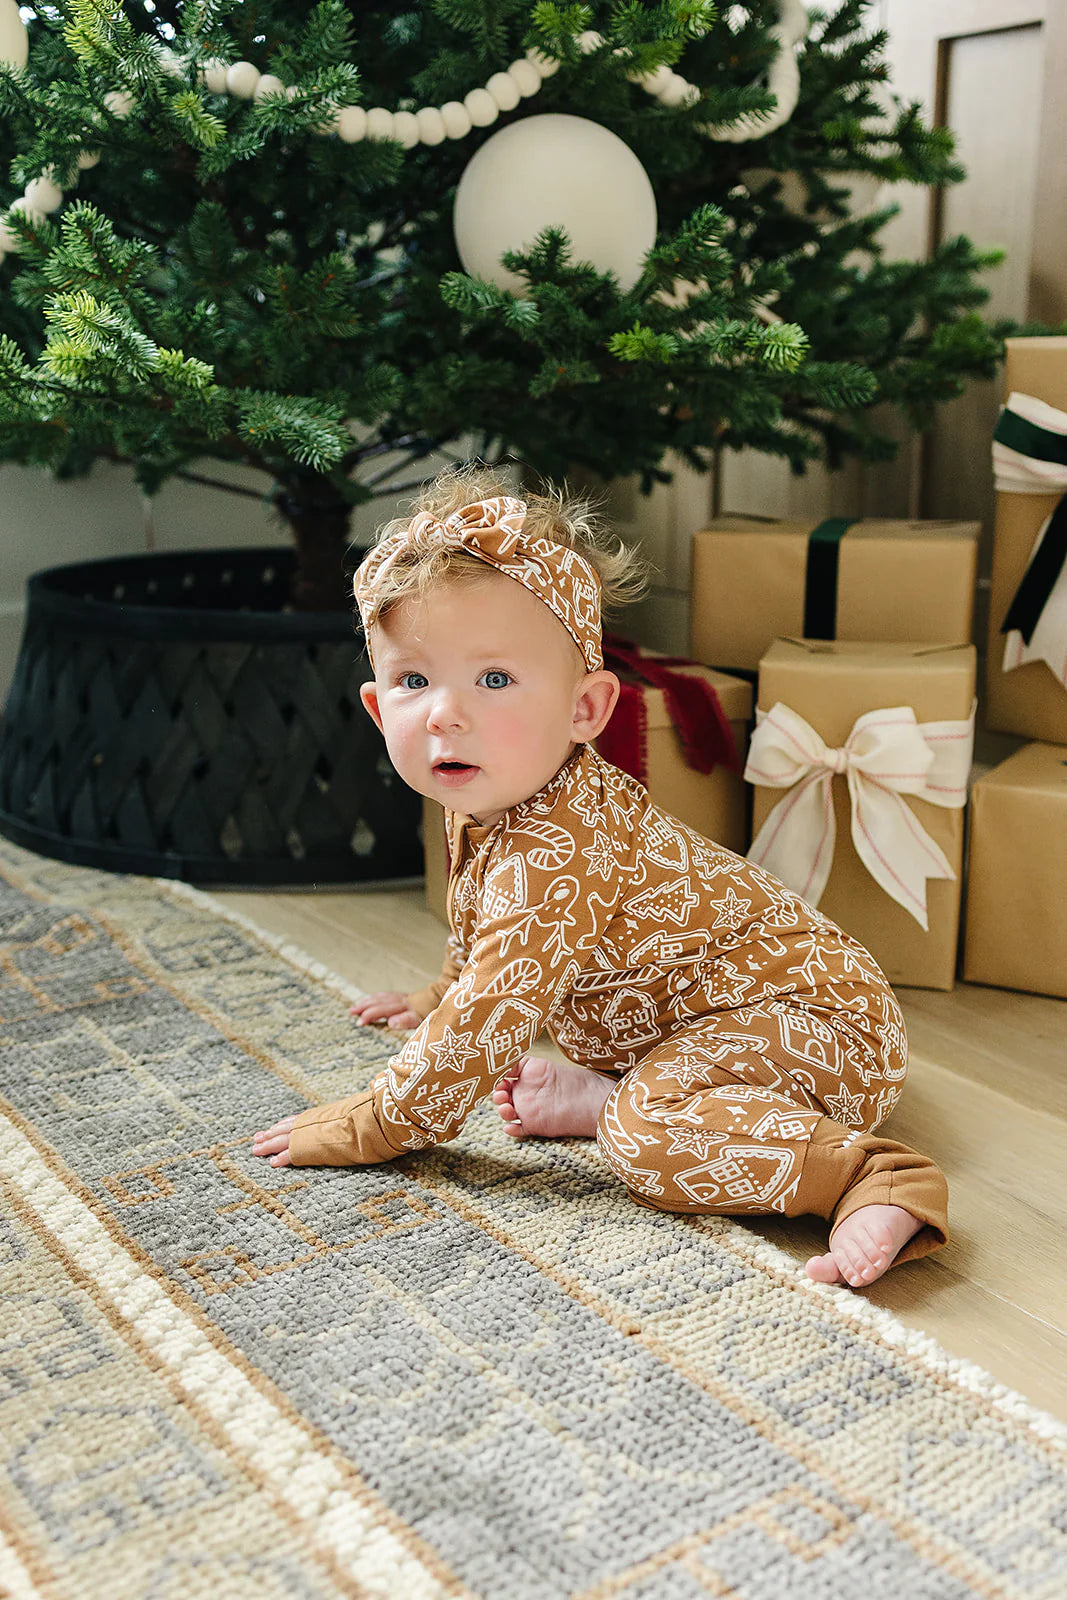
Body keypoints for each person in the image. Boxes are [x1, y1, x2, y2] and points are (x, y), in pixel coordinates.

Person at [252, 469, 949, 1289]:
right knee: (645, 1092)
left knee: (649, 1138)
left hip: (819, 1024)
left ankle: (870, 1176)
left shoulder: (561, 843)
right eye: (414, 681)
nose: (444, 711)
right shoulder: (492, 791)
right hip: (698, 1023)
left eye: (495, 679)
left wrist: (373, 1123)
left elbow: (491, 1013)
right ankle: (603, 1097)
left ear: (586, 709)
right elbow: (481, 926)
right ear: (378, 710)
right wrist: (434, 992)